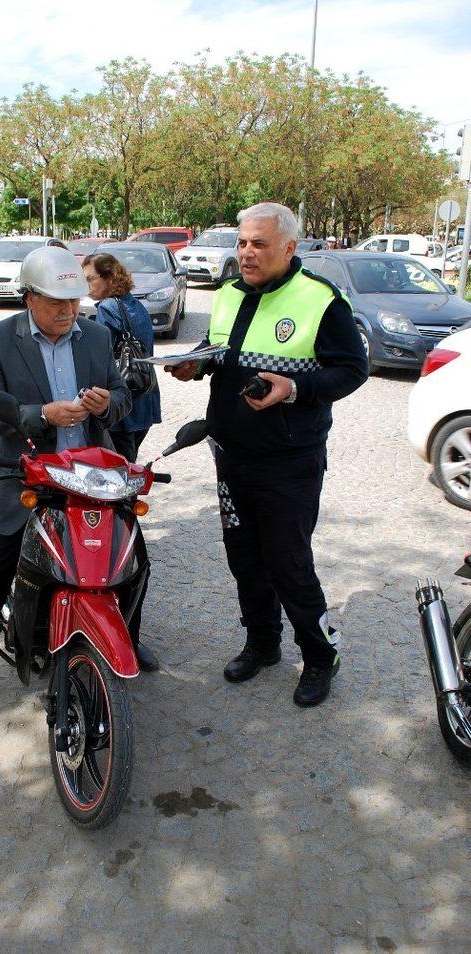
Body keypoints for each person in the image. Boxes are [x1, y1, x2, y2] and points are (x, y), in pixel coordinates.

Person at [0, 247, 157, 722]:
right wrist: (40, 415)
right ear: (28, 297)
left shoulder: (93, 335)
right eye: (56, 303)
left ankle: (124, 636)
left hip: (88, 474)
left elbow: (120, 400)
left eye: (74, 301)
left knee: (129, 558)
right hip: (25, 473)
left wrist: (104, 403)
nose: (68, 311)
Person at [167, 202, 368, 707]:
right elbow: (224, 357)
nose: (247, 253)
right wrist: (197, 367)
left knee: (289, 563)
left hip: (289, 462)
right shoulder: (230, 294)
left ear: (288, 248)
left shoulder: (321, 300)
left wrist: (294, 388)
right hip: (231, 457)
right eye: (242, 242)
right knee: (245, 561)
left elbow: (351, 371)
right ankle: (263, 643)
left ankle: (321, 657)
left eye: (258, 243)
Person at [82, 252, 161, 462]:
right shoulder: (135, 304)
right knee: (127, 462)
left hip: (123, 405)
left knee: (118, 471)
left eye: (90, 279)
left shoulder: (107, 308)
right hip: (144, 396)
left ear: (108, 277)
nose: (86, 285)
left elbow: (99, 358)